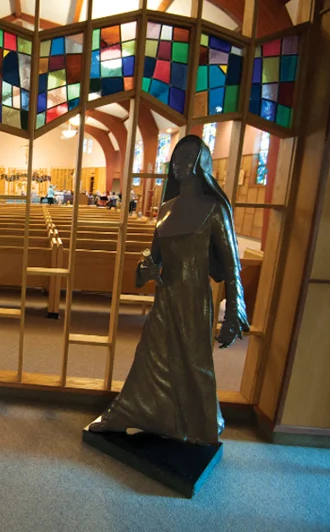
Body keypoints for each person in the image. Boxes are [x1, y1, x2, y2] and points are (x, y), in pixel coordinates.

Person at [88, 135, 249, 445]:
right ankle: (130, 413)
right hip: (167, 296)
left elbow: (231, 266)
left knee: (194, 362)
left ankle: (202, 426)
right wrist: (145, 269)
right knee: (150, 356)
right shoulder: (166, 209)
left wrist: (234, 311)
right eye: (176, 159)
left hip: (195, 299)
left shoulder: (215, 209)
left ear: (201, 164)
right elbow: (153, 257)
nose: (179, 165)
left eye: (188, 159)